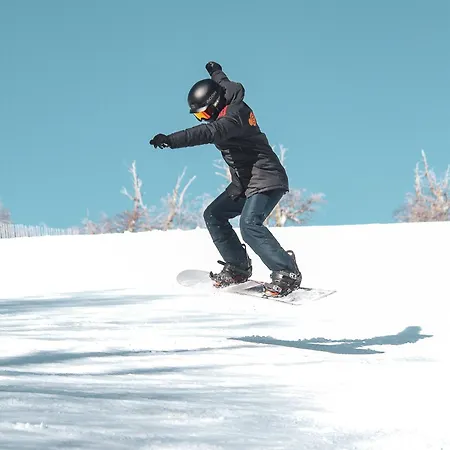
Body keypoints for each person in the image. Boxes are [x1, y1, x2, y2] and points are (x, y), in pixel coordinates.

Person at [149, 61, 302, 297]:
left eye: (204, 113)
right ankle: (238, 267)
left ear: (216, 104)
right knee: (214, 214)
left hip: (266, 177)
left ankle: (286, 271)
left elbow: (207, 133)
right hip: (245, 182)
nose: (204, 119)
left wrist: (172, 139)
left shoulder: (232, 119)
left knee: (249, 225)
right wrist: (215, 71)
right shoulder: (226, 94)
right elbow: (223, 82)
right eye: (199, 116)